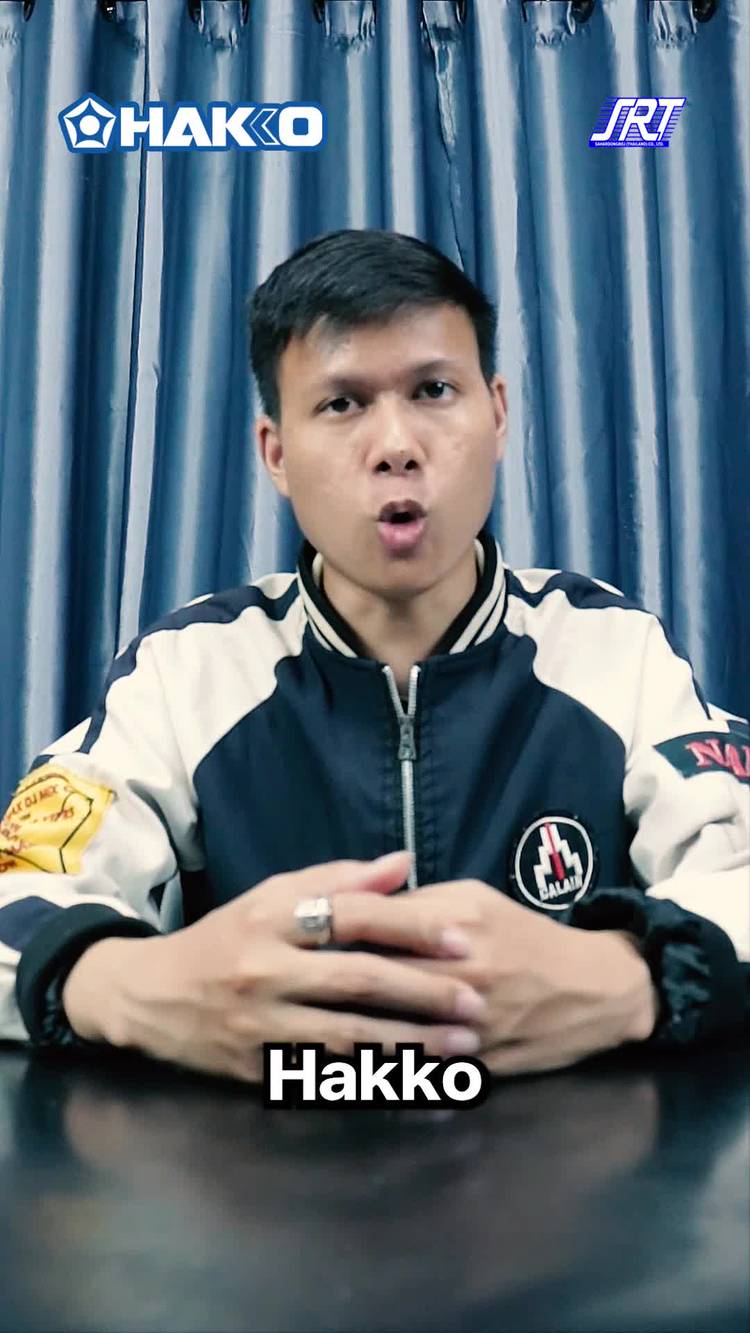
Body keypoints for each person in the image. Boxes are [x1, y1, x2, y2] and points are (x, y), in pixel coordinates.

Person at [0, 229, 747, 1086]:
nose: (396, 445)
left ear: (498, 414)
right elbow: (20, 895)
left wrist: (632, 979)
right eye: (342, 403)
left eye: (434, 390)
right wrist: (129, 984)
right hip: (266, 1153)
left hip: (569, 1157)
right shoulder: (187, 671)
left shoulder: (615, 651)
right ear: (276, 454)